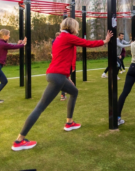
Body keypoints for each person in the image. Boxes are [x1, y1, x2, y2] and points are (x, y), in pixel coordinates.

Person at [11, 18, 113, 151]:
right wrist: (104, 41)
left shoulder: (60, 38)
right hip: (57, 76)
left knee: (74, 92)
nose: (77, 30)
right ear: (72, 27)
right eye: (76, 27)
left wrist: (66, 76)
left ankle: (69, 122)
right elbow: (86, 43)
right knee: (40, 107)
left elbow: (61, 58)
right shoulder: (67, 37)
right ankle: (19, 141)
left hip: (56, 74)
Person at [52, 32, 67, 101]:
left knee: (65, 78)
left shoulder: (55, 43)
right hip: (60, 63)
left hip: (58, 63)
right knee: (63, 79)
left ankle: (64, 92)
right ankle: (63, 94)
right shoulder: (57, 43)